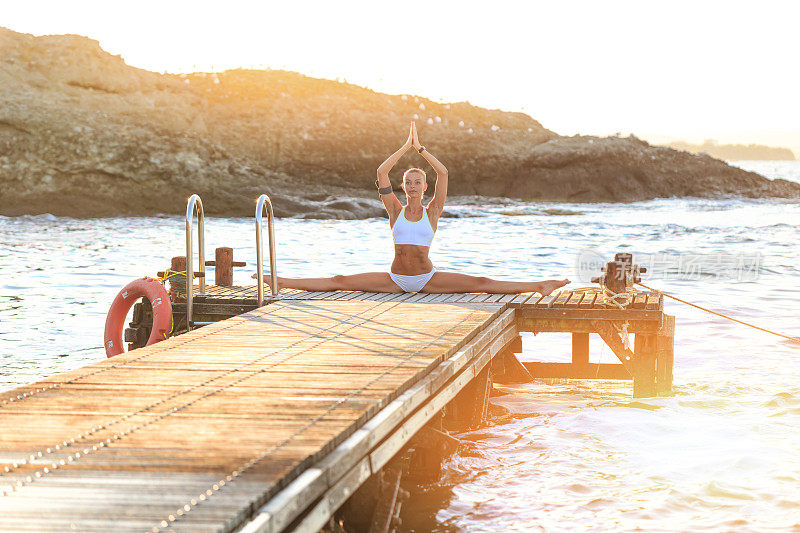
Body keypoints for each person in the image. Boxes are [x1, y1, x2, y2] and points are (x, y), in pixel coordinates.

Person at [255, 122, 570, 295]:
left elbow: (444, 173)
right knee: (340, 279)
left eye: (419, 181)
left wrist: (421, 149)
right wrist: (404, 148)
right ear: (403, 187)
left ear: (425, 187)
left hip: (427, 279)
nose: (415, 185)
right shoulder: (394, 209)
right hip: (394, 279)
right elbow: (381, 173)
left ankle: (538, 285)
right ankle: (282, 281)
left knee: (481, 284)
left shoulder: (434, 211)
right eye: (409, 181)